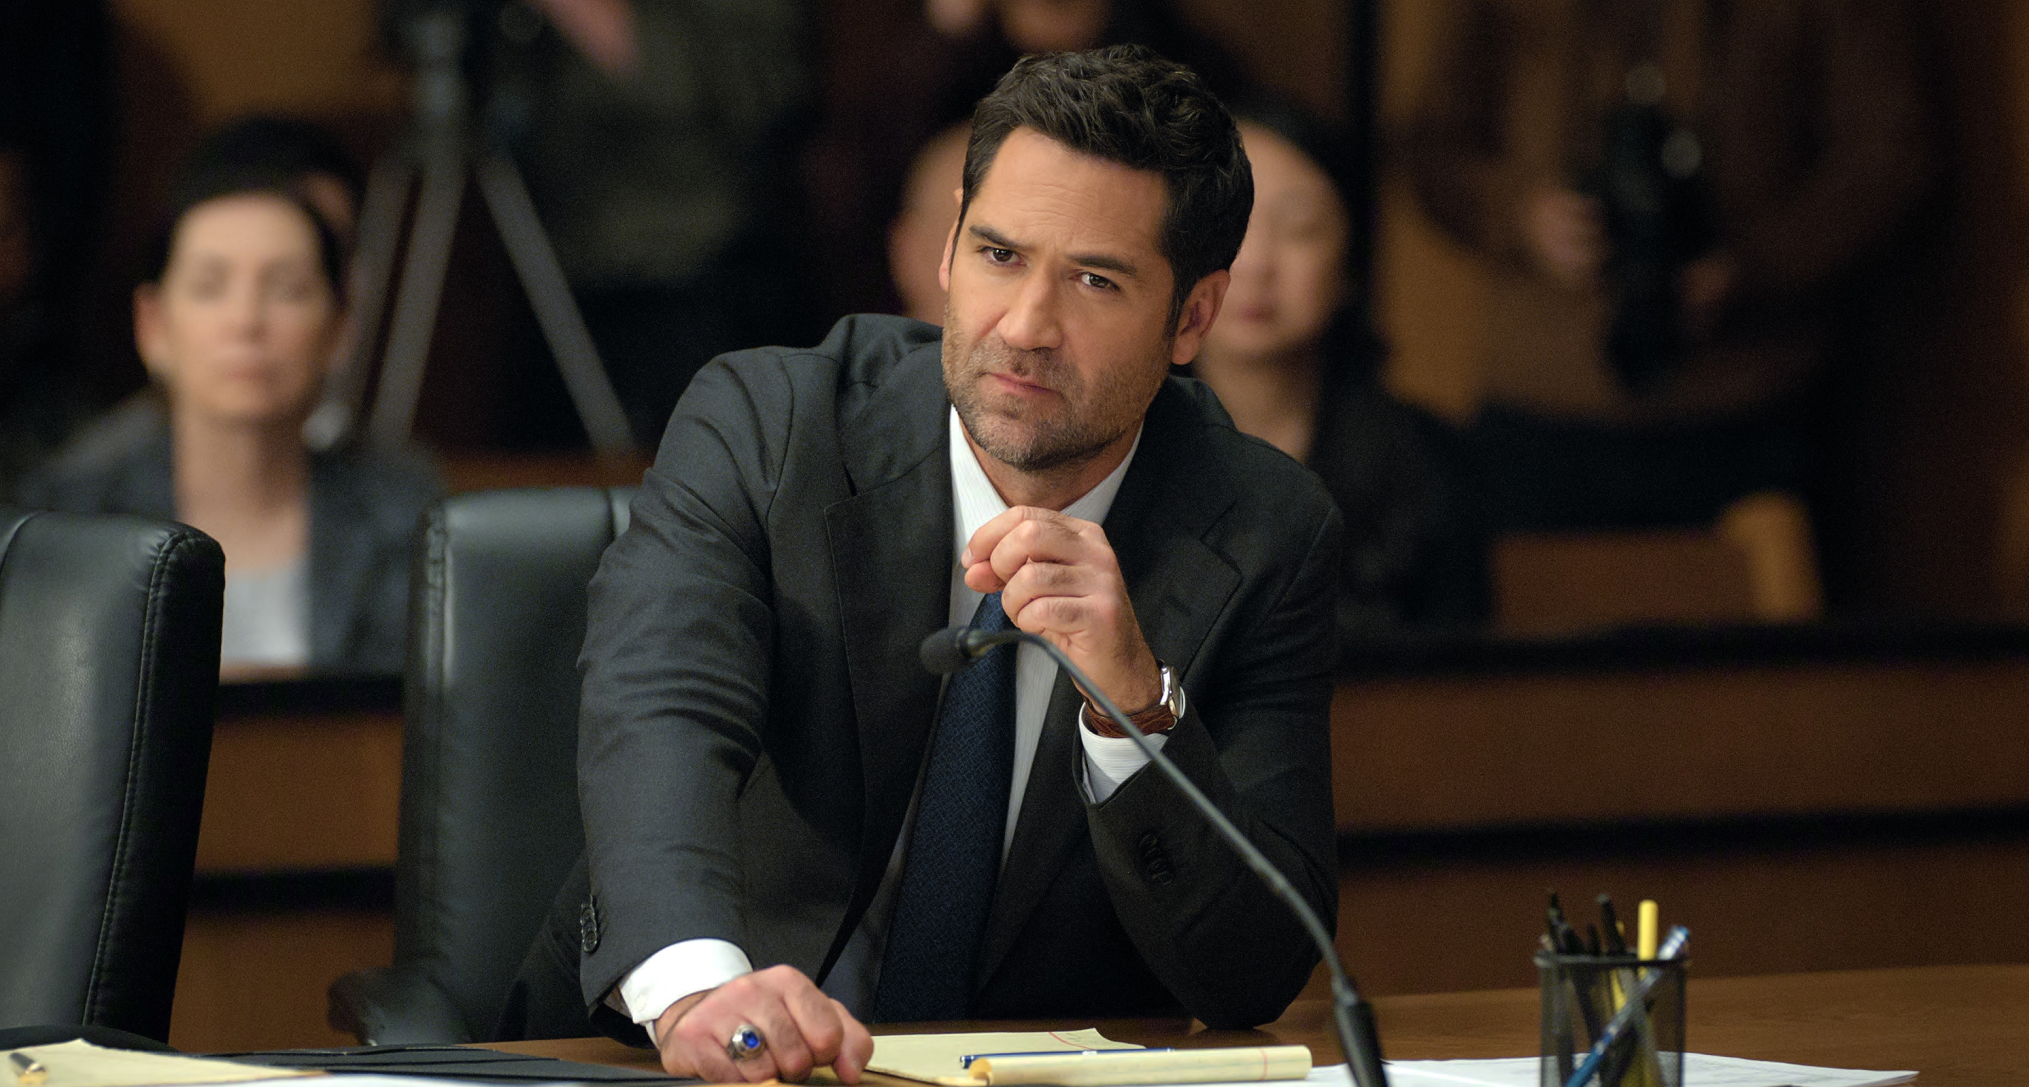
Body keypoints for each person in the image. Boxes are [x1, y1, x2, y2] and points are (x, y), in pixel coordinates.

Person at [506, 46, 1342, 1081]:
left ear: (1193, 318)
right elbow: (660, 709)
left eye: (1093, 279)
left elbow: (1250, 972)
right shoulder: (770, 429)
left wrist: (1136, 711)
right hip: (685, 1056)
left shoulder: (1263, 528)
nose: (1026, 327)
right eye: (998, 255)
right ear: (944, 248)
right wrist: (698, 991)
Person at [1403, 0, 1939, 532]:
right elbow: (1430, 142)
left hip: (1750, 400)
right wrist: (1522, 215)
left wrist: (1755, 267)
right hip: (1548, 399)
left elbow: (1888, 156)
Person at [16, 161, 441, 675]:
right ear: (153, 325)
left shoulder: (405, 516)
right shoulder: (67, 523)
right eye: (209, 286)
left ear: (340, 327)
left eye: (287, 289)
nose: (245, 322)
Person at [1191, 106, 1483, 631]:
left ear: (1351, 260)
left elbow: (1460, 695)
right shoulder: (1109, 453)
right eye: (1226, 224)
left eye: (1299, 228)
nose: (1254, 262)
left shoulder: (1431, 464)